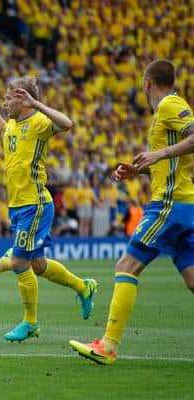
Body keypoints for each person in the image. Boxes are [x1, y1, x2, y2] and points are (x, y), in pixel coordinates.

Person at [70, 59, 194, 365]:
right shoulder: (164, 112)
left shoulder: (170, 104)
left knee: (126, 266)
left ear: (147, 82)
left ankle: (108, 345)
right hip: (182, 203)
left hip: (168, 205)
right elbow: (169, 165)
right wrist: (137, 171)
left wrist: (158, 153)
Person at [0, 76, 98, 342]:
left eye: (10, 97)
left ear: (23, 99)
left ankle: (30, 322)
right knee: (37, 264)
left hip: (34, 203)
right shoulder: (12, 125)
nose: (6, 101)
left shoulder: (39, 122)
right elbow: (3, 132)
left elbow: (67, 124)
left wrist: (37, 104)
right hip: (18, 205)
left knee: (19, 262)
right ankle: (83, 287)